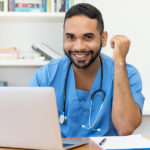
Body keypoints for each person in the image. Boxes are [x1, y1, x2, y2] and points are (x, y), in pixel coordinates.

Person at [29, 3, 145, 137]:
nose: (79, 47)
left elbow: (126, 128)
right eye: (70, 37)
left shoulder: (128, 74)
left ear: (103, 38)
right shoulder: (46, 75)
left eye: (88, 37)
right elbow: (28, 125)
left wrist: (119, 61)